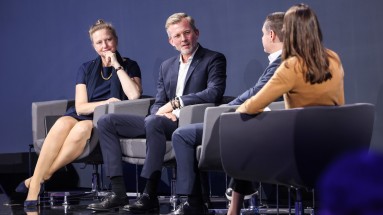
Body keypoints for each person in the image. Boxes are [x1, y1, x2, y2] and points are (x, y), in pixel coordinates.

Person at [86, 12, 226, 212]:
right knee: (107, 121)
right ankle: (118, 192)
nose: (183, 39)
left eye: (187, 33)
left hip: (189, 121)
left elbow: (213, 93)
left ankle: (149, 194)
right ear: (171, 41)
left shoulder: (213, 59)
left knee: (153, 122)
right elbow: (159, 101)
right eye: (177, 36)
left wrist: (176, 104)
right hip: (163, 120)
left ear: (196, 33)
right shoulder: (166, 66)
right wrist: (158, 113)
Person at [228, 3, 345, 215]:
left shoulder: (291, 66)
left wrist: (235, 112)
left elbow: (253, 104)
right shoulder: (333, 58)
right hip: (333, 146)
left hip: (299, 150)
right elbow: (340, 106)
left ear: (288, 33)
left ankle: (234, 209)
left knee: (244, 136)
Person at [169, 12, 285, 215]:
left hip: (262, 123)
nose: (262, 38)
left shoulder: (283, 62)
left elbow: (257, 94)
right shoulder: (281, 61)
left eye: (262, 34)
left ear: (272, 35)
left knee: (182, 135)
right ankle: (223, 197)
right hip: (252, 120)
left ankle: (197, 204)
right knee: (178, 132)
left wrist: (226, 109)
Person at [19, 19, 143, 208]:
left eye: (108, 40)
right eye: (99, 42)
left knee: (84, 127)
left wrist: (117, 65)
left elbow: (134, 95)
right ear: (93, 46)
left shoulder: (129, 65)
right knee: (62, 123)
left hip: (106, 120)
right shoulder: (86, 68)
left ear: (116, 41)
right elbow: (80, 107)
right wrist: (106, 101)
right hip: (84, 113)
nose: (104, 46)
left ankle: (38, 179)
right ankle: (37, 183)